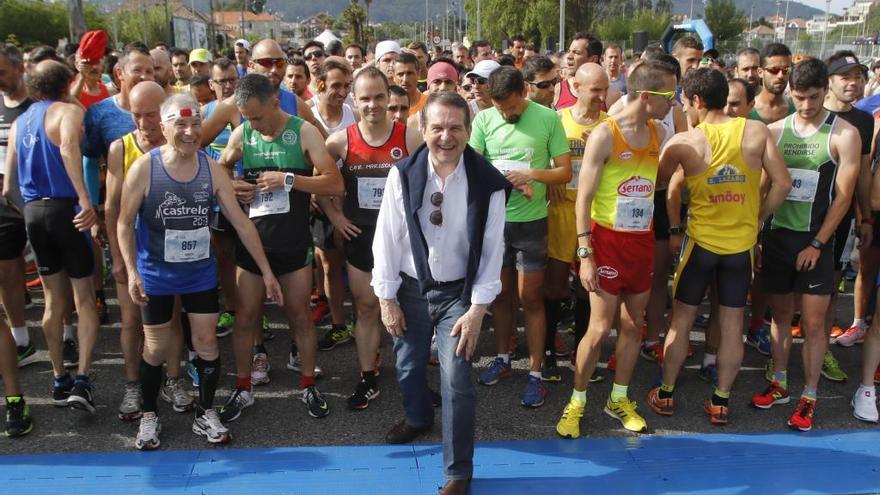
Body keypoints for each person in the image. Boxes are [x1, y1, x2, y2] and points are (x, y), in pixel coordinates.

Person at [116, 93, 283, 449]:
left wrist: (267, 271)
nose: (190, 132)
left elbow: (241, 223)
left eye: (195, 124)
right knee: (157, 348)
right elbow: (124, 223)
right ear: (164, 128)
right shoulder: (145, 168)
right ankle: (149, 415)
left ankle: (206, 412)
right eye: (180, 124)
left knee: (206, 342)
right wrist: (131, 272)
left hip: (199, 274)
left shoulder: (210, 168)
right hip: (157, 274)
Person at [373, 92, 509, 495]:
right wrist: (387, 297)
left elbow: (491, 250)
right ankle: (417, 419)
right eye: (437, 127)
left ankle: (458, 472)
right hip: (411, 286)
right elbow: (387, 239)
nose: (445, 137)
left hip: (459, 294)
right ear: (422, 130)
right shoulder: (403, 174)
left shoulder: (489, 182)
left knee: (456, 380)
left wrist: (478, 308)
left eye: (455, 127)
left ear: (469, 131)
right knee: (409, 366)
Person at [647, 68, 791, 425]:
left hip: (700, 245)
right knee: (731, 324)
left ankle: (665, 394)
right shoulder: (755, 130)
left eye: (684, 101)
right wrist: (757, 218)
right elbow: (783, 184)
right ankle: (721, 400)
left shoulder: (686, 141)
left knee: (681, 319)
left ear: (696, 100)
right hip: (740, 247)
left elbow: (660, 183)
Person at [555, 59, 676, 438]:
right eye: (669, 95)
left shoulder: (657, 131)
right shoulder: (606, 134)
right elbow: (583, 198)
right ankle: (576, 402)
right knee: (599, 328)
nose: (674, 102)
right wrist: (585, 253)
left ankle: (618, 398)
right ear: (646, 96)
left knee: (631, 326)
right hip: (606, 242)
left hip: (640, 241)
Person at [216, 74, 344, 421]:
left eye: (257, 116)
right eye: (246, 117)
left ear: (275, 101)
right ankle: (243, 388)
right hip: (253, 245)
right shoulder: (244, 134)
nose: (252, 124)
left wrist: (289, 179)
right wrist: (234, 185)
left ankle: (307, 384)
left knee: (300, 317)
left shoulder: (303, 131)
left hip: (293, 244)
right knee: (245, 319)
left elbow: (334, 182)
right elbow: (221, 169)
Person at [751, 59, 860, 432]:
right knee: (780, 316)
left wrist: (817, 243)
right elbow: (765, 187)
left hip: (817, 239)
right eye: (799, 98)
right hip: (778, 238)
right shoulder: (776, 130)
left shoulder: (843, 134)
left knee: (813, 324)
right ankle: (779, 382)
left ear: (824, 91)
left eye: (814, 98)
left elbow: (843, 198)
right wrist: (758, 232)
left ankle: (809, 396)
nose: (807, 106)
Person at [320, 66, 422, 410]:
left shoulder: (409, 138)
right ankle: (368, 376)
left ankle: (415, 376)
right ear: (354, 99)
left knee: (409, 309)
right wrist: (335, 216)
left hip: (402, 240)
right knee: (366, 308)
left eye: (380, 97)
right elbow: (318, 182)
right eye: (365, 98)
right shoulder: (339, 141)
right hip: (361, 237)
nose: (374, 105)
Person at [470, 66, 571, 407]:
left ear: (524, 93)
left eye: (511, 107)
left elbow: (564, 172)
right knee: (499, 297)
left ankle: (536, 372)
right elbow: (473, 167)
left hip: (532, 223)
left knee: (531, 299)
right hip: (495, 223)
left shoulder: (547, 118)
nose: (506, 114)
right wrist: (507, 180)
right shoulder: (484, 120)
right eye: (500, 108)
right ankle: (502, 358)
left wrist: (530, 174)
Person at [4, 60, 100, 413]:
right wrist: (86, 202)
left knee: (52, 302)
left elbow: (8, 183)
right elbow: (68, 150)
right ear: (68, 83)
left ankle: (59, 376)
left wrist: (25, 209)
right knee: (84, 299)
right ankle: (83, 379)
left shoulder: (18, 122)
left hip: (32, 212)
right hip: (65, 209)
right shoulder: (67, 113)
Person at [105, 81, 195, 420]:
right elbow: (112, 209)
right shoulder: (121, 148)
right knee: (130, 321)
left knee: (170, 318)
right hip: (133, 253)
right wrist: (118, 259)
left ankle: (173, 380)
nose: (144, 124)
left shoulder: (184, 144)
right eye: (136, 115)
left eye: (151, 115)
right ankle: (134, 386)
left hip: (169, 254)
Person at [544, 63, 609, 382]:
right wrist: (551, 173)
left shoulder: (610, 125)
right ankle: (547, 354)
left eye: (605, 89)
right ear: (575, 86)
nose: (601, 95)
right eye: (595, 89)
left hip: (595, 215)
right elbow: (540, 158)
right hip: (561, 212)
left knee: (589, 286)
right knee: (555, 286)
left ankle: (581, 351)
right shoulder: (558, 120)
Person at [825, 52, 876, 350]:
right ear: (829, 81)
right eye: (845, 76)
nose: (853, 83)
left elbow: (864, 175)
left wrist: (865, 217)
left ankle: (821, 349)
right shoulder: (811, 111)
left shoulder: (864, 120)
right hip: (803, 213)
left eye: (858, 76)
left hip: (843, 216)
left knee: (831, 285)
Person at [0, 43, 35, 368]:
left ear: (19, 69)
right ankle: (19, 338)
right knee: (7, 269)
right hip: (3, 203)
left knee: (48, 275)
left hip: (34, 199)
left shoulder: (37, 107)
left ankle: (63, 334)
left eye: (2, 73)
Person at [749, 43, 795, 124]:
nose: (780, 76)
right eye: (774, 70)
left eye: (786, 70)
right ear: (760, 72)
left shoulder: (796, 110)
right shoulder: (746, 110)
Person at [555, 32, 602, 109]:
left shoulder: (610, 93)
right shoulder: (558, 89)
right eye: (569, 51)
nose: (569, 56)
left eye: (576, 52)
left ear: (593, 59)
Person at [393, 52, 427, 116]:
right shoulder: (386, 106)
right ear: (393, 76)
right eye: (400, 74)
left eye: (409, 73)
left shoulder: (429, 105)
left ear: (418, 74)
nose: (405, 80)